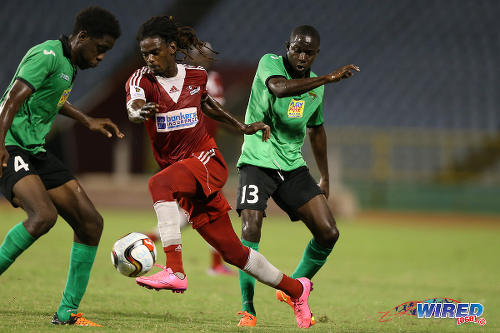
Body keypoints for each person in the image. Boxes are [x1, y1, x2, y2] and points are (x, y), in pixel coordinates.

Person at [125, 15, 314, 328]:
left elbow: (206, 104)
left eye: (155, 52)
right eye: (144, 53)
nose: (149, 59)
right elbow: (133, 106)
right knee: (234, 254)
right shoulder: (140, 80)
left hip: (206, 161)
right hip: (183, 177)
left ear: (171, 48)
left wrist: (242, 127)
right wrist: (139, 112)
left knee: (159, 185)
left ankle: (175, 271)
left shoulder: (197, 75)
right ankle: (297, 289)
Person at [0, 7, 123, 326]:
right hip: (10, 142)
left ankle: (67, 312)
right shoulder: (47, 55)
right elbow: (13, 99)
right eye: (100, 49)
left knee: (91, 223)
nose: (101, 58)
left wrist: (87, 120)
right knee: (43, 216)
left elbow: (52, 97)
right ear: (82, 37)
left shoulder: (67, 63)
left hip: (34, 149)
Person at [235, 25, 360, 327]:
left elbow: (316, 130)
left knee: (329, 232)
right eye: (297, 49)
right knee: (251, 227)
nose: (302, 56)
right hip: (257, 160)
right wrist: (328, 77)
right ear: (287, 47)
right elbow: (278, 87)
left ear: (317, 54)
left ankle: (295, 288)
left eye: (309, 52)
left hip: (292, 166)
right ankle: (248, 309)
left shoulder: (317, 88)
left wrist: (325, 176)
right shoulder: (270, 63)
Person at [144, 43, 235, 276]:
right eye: (199, 53)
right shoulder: (177, 78)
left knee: (189, 213)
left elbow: (213, 110)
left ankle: (144, 240)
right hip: (185, 153)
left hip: (204, 152)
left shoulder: (210, 79)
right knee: (207, 209)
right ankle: (211, 264)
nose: (204, 57)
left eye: (207, 54)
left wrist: (239, 127)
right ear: (190, 55)